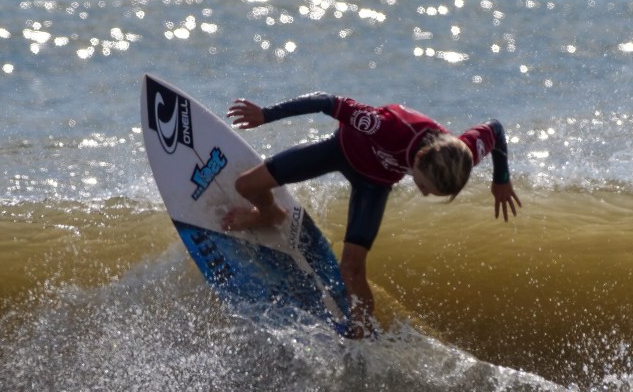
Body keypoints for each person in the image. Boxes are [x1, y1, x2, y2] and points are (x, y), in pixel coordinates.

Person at [222, 92, 521, 337]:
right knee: (245, 185)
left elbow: (494, 129)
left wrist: (501, 179)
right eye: (424, 185)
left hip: (374, 185)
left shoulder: (461, 154)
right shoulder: (385, 126)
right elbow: (327, 102)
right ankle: (269, 213)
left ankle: (360, 332)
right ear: (418, 158)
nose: (424, 193)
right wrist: (266, 114)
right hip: (338, 151)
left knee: (352, 269)